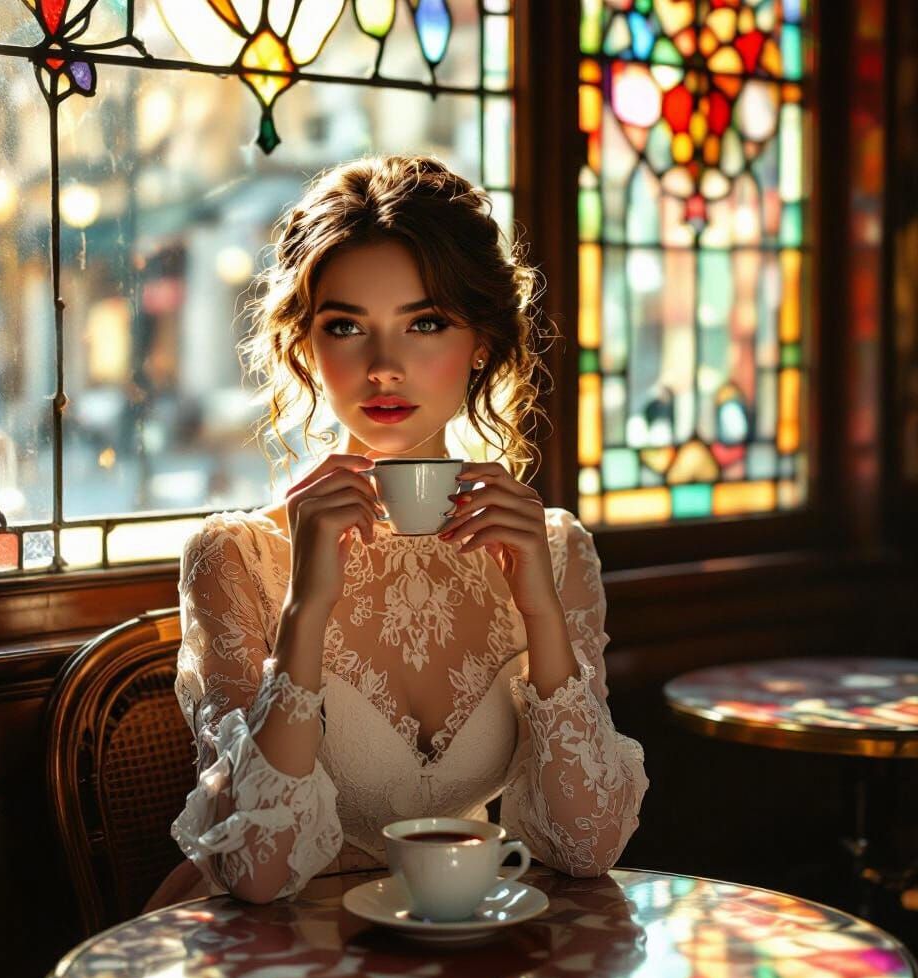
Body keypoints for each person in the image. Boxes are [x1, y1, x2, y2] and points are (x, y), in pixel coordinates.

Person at [147, 154, 648, 909]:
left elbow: (587, 848)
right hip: (280, 949)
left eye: (425, 323)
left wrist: (541, 609)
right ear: (305, 347)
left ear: (481, 342)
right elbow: (255, 871)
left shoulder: (554, 550)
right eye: (346, 326)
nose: (383, 366)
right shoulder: (236, 558)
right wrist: (305, 608)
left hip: (461, 931)